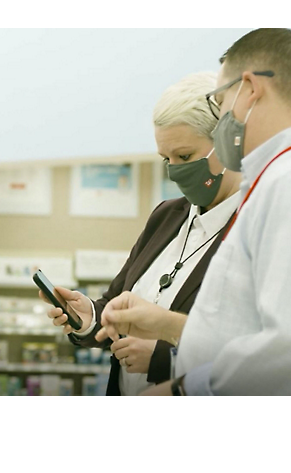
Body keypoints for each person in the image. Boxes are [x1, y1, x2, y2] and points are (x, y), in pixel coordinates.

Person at [97, 28, 291, 395]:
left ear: (249, 89)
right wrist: (166, 323)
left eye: (221, 96)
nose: (222, 116)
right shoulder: (287, 177)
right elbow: (245, 329)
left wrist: (182, 390)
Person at [42, 72, 242, 395]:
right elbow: (117, 302)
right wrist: (89, 316)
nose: (174, 170)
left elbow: (253, 348)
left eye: (185, 156)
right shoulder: (166, 217)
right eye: (166, 158)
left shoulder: (249, 229)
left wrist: (163, 358)